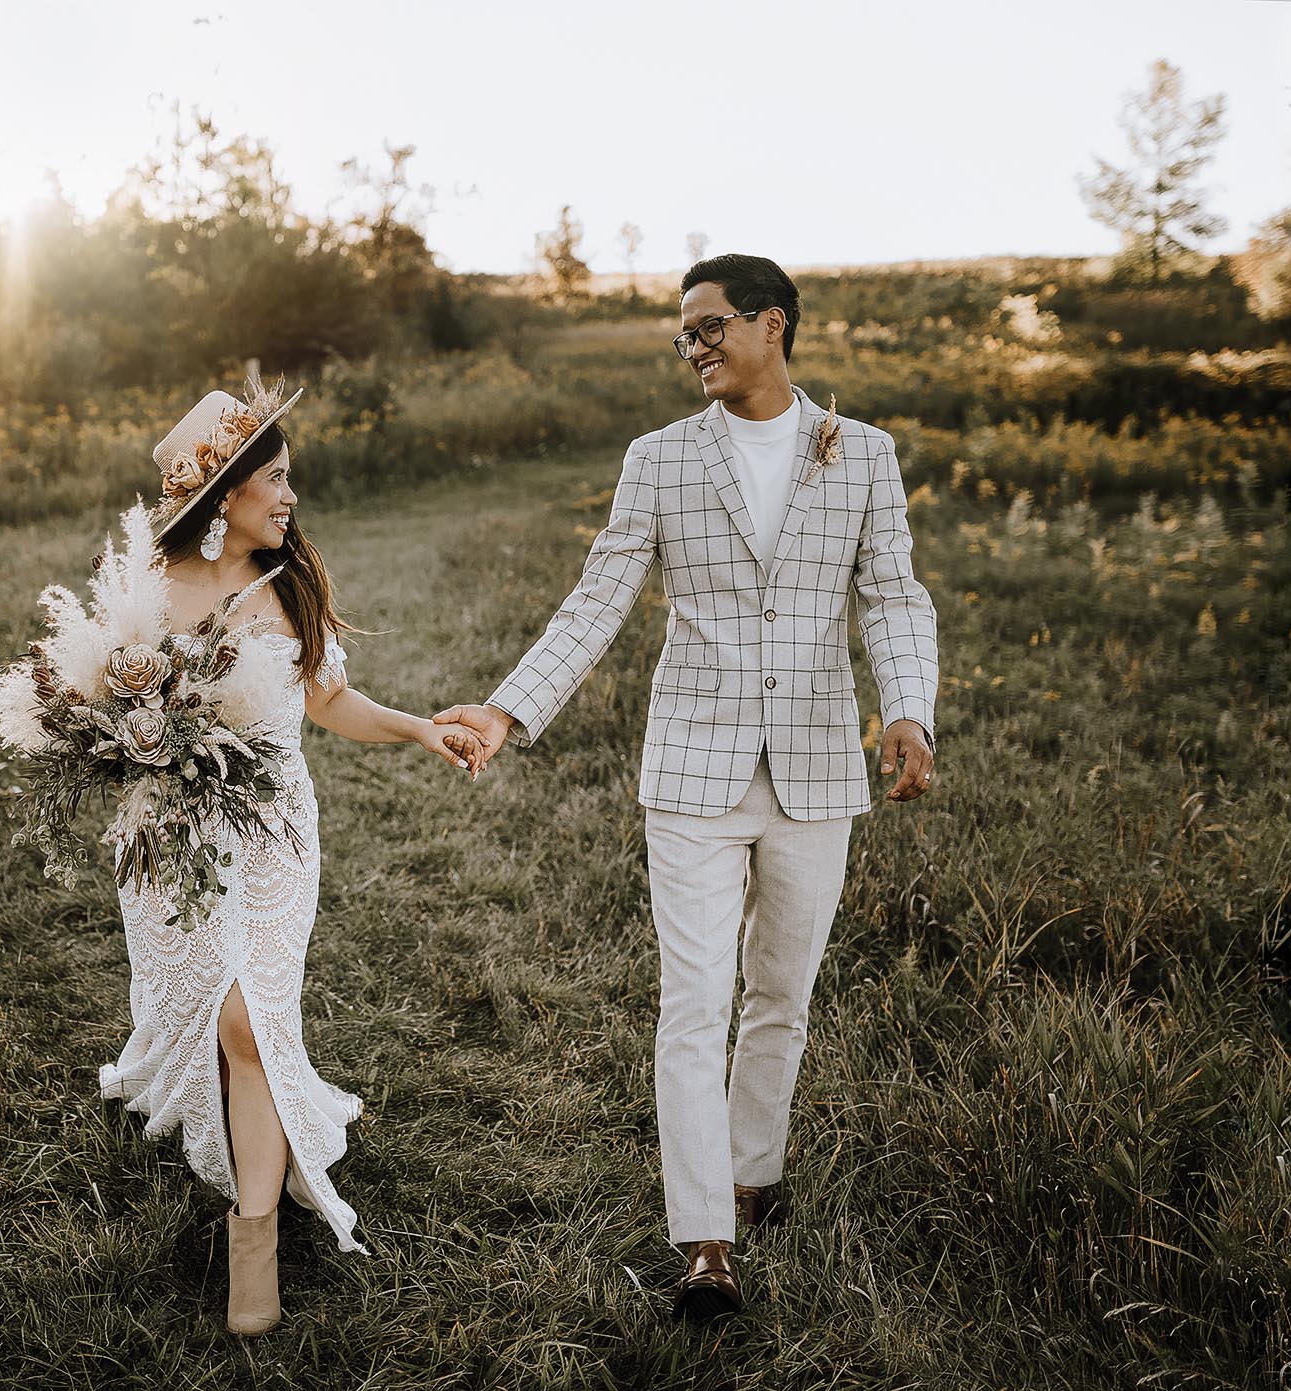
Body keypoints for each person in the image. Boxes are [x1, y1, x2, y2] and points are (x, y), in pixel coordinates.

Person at [436, 254, 940, 1322]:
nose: (694, 347)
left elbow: (892, 596)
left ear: (772, 326)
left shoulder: (862, 454)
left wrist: (907, 709)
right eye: (685, 335)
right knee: (692, 1001)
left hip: (813, 769)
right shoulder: (659, 459)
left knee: (781, 998)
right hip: (692, 772)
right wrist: (506, 708)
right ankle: (704, 1235)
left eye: (709, 327)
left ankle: (752, 1171)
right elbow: (597, 597)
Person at [98, 377, 484, 1336]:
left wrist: (420, 730)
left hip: (274, 835)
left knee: (247, 1020)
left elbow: (328, 703)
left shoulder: (287, 584)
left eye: (289, 478)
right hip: (173, 845)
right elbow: (100, 719)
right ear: (223, 494)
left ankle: (254, 1238)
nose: (289, 496)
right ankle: (237, 1135)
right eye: (274, 478)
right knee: (209, 1019)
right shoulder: (149, 593)